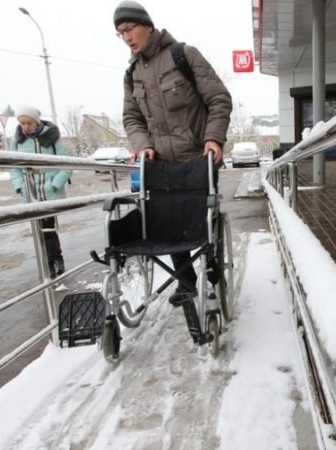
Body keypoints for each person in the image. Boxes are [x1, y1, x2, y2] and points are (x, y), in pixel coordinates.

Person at [114, 1, 232, 302]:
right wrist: (143, 144)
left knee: (201, 222)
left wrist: (214, 139)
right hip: (163, 165)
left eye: (129, 29)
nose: (126, 37)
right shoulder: (132, 75)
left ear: (148, 26)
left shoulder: (183, 55)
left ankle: (213, 268)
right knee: (168, 225)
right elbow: (131, 118)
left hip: (198, 160)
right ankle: (186, 281)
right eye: (120, 33)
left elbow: (219, 99)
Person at [9, 106, 72, 277]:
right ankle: (48, 261)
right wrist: (20, 186)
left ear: (36, 121)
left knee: (48, 227)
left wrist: (54, 184)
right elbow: (13, 168)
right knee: (37, 228)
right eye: (22, 123)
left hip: (48, 189)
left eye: (29, 122)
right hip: (30, 190)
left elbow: (66, 164)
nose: (26, 126)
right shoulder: (16, 141)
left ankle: (54, 260)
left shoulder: (51, 137)